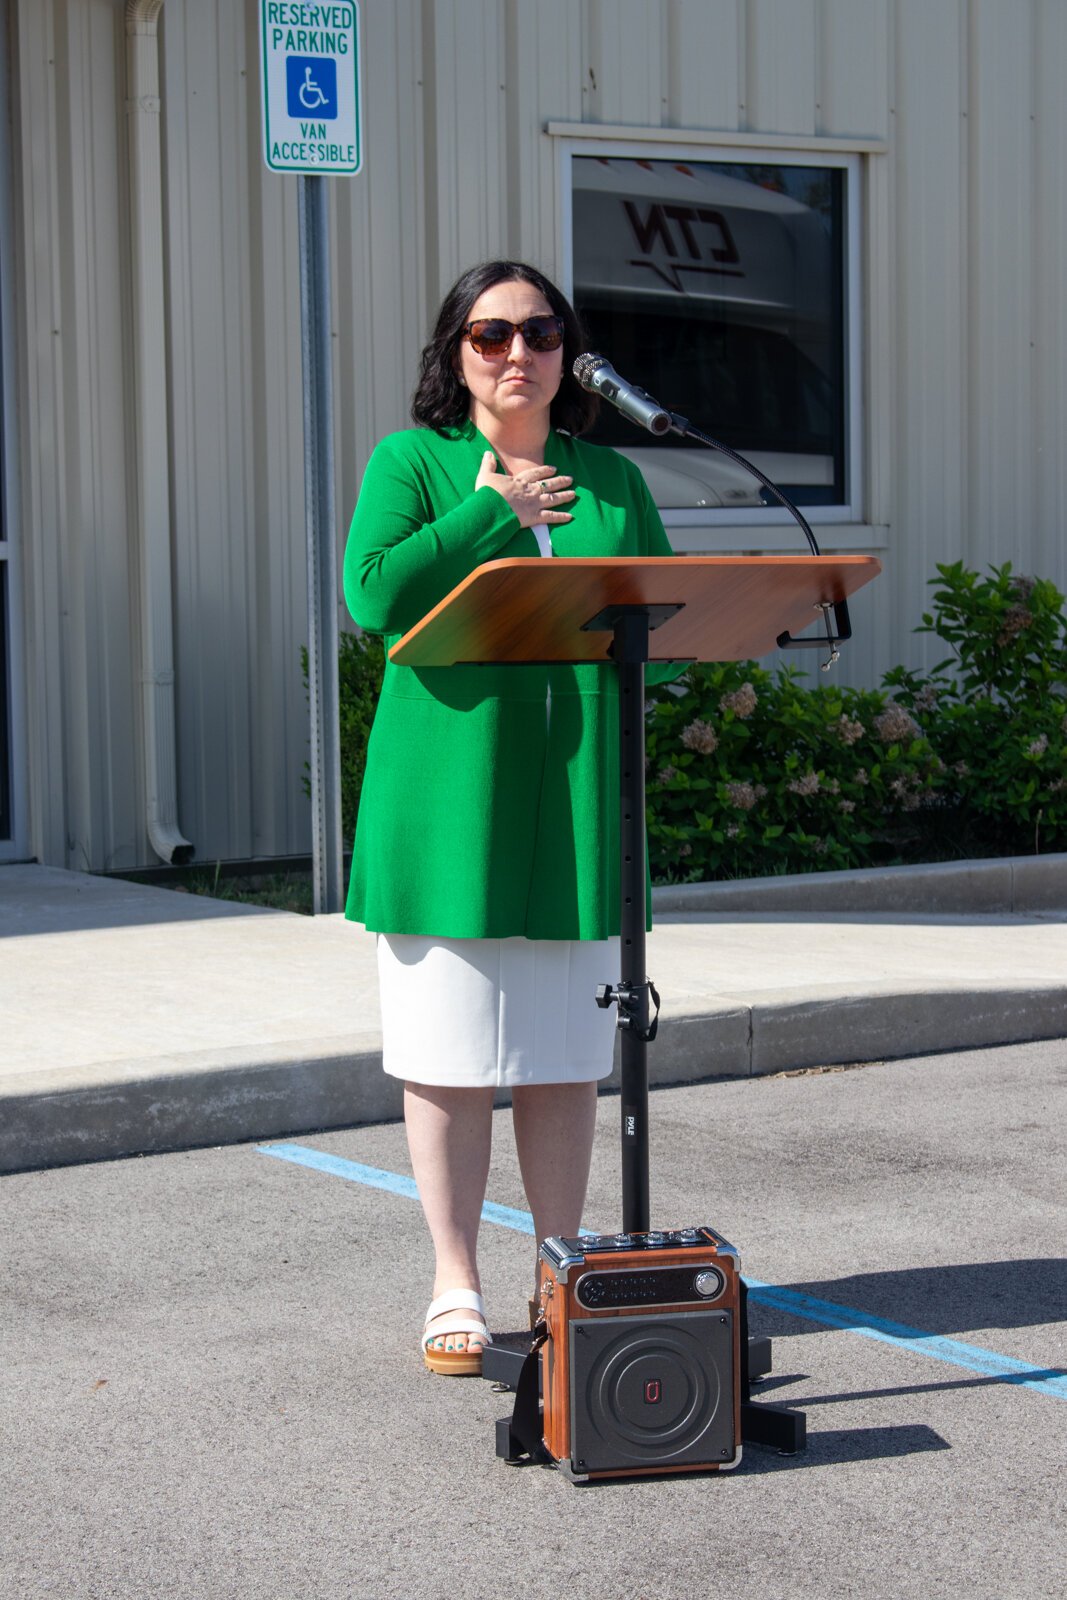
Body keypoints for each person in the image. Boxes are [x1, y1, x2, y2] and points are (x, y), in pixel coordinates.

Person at [343, 260, 679, 1375]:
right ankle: (452, 1279)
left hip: (577, 796)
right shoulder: (414, 463)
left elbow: (659, 615)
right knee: (444, 1052)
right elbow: (373, 597)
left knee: (560, 1054)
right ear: (455, 355)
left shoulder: (613, 478)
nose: (516, 353)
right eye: (490, 335)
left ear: (566, 353)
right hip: (449, 798)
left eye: (539, 333)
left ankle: (557, 1269)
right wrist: (493, 510)